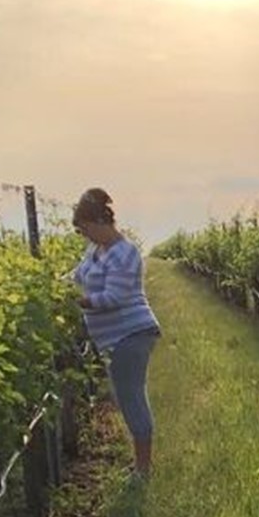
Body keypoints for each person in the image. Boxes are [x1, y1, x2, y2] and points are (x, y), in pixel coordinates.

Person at [70, 188, 162, 477]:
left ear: (99, 222)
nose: (84, 236)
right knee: (126, 397)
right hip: (119, 338)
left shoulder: (126, 252)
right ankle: (140, 465)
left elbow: (114, 298)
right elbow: (76, 276)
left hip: (132, 334)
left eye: (85, 229)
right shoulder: (96, 249)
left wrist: (79, 302)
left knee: (131, 397)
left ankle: (143, 471)